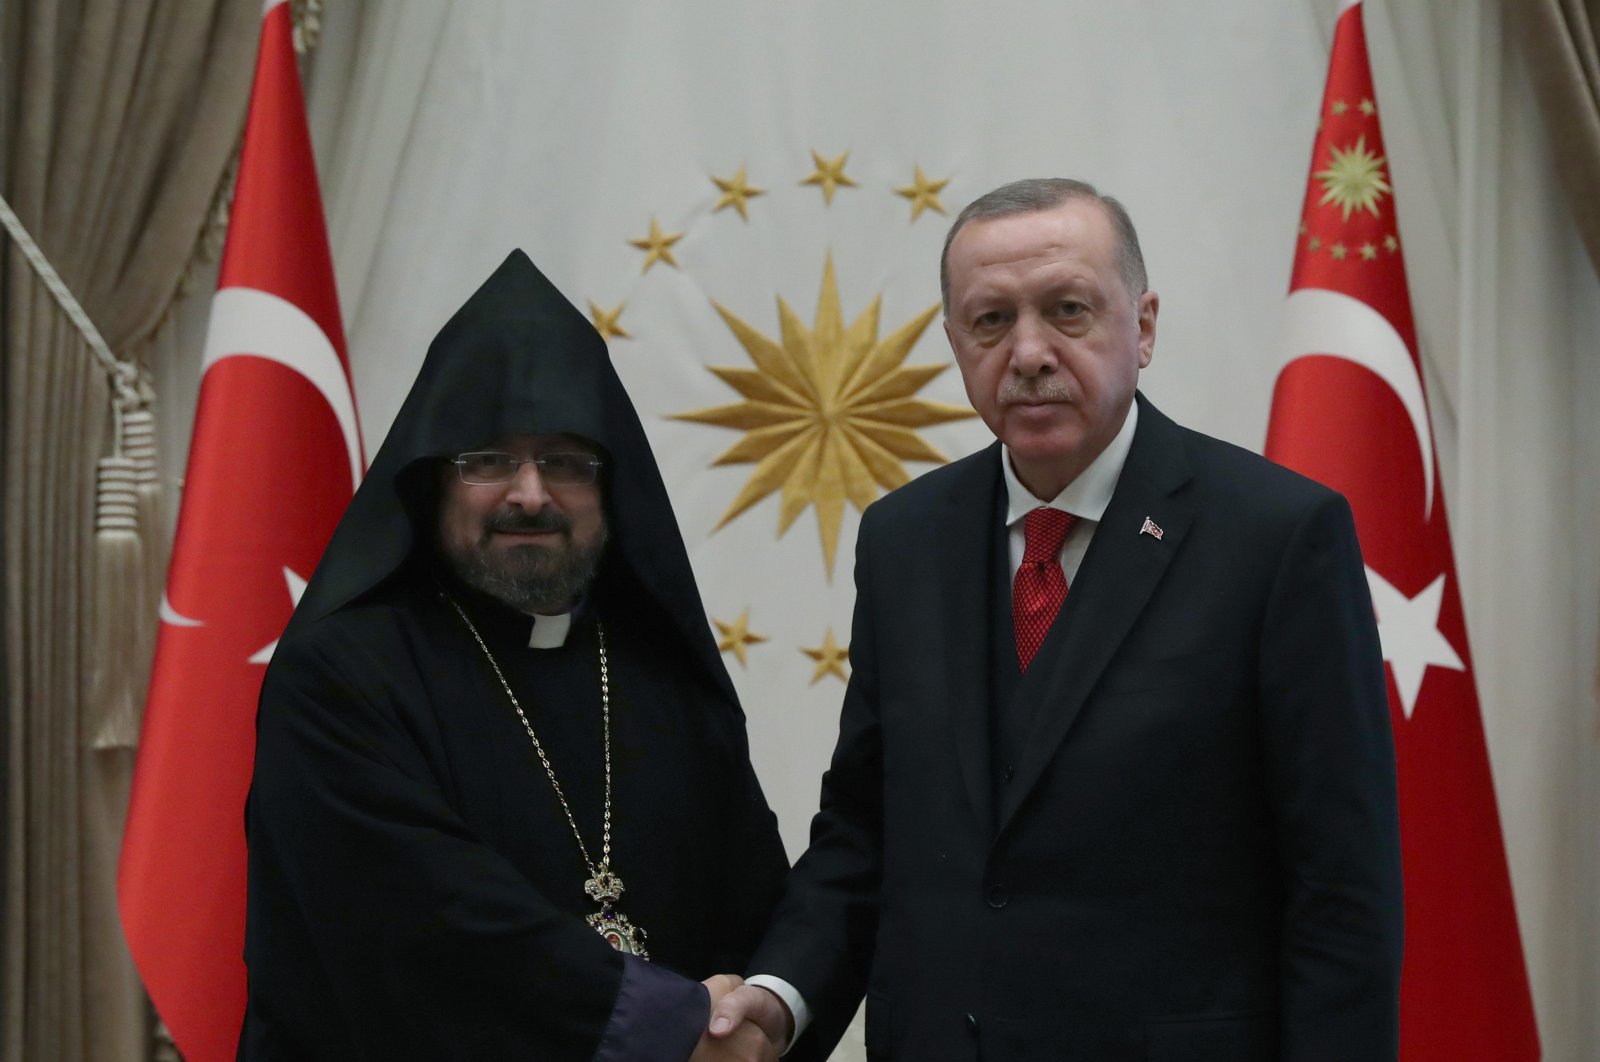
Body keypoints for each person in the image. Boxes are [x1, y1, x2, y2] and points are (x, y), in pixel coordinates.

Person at [709, 179, 1403, 1060]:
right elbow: (867, 831)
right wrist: (780, 997)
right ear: (955, 342)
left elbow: (1342, 890)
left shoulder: (1277, 536)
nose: (1028, 352)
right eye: (991, 321)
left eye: (1067, 310)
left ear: (1142, 327)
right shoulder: (904, 540)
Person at [240, 250, 792, 1061]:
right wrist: (665, 1024)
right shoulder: (339, 674)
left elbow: (756, 905)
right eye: (489, 460)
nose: (530, 493)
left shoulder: (661, 677)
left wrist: (745, 1016)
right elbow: (428, 924)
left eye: (566, 462)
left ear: (612, 488)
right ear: (433, 483)